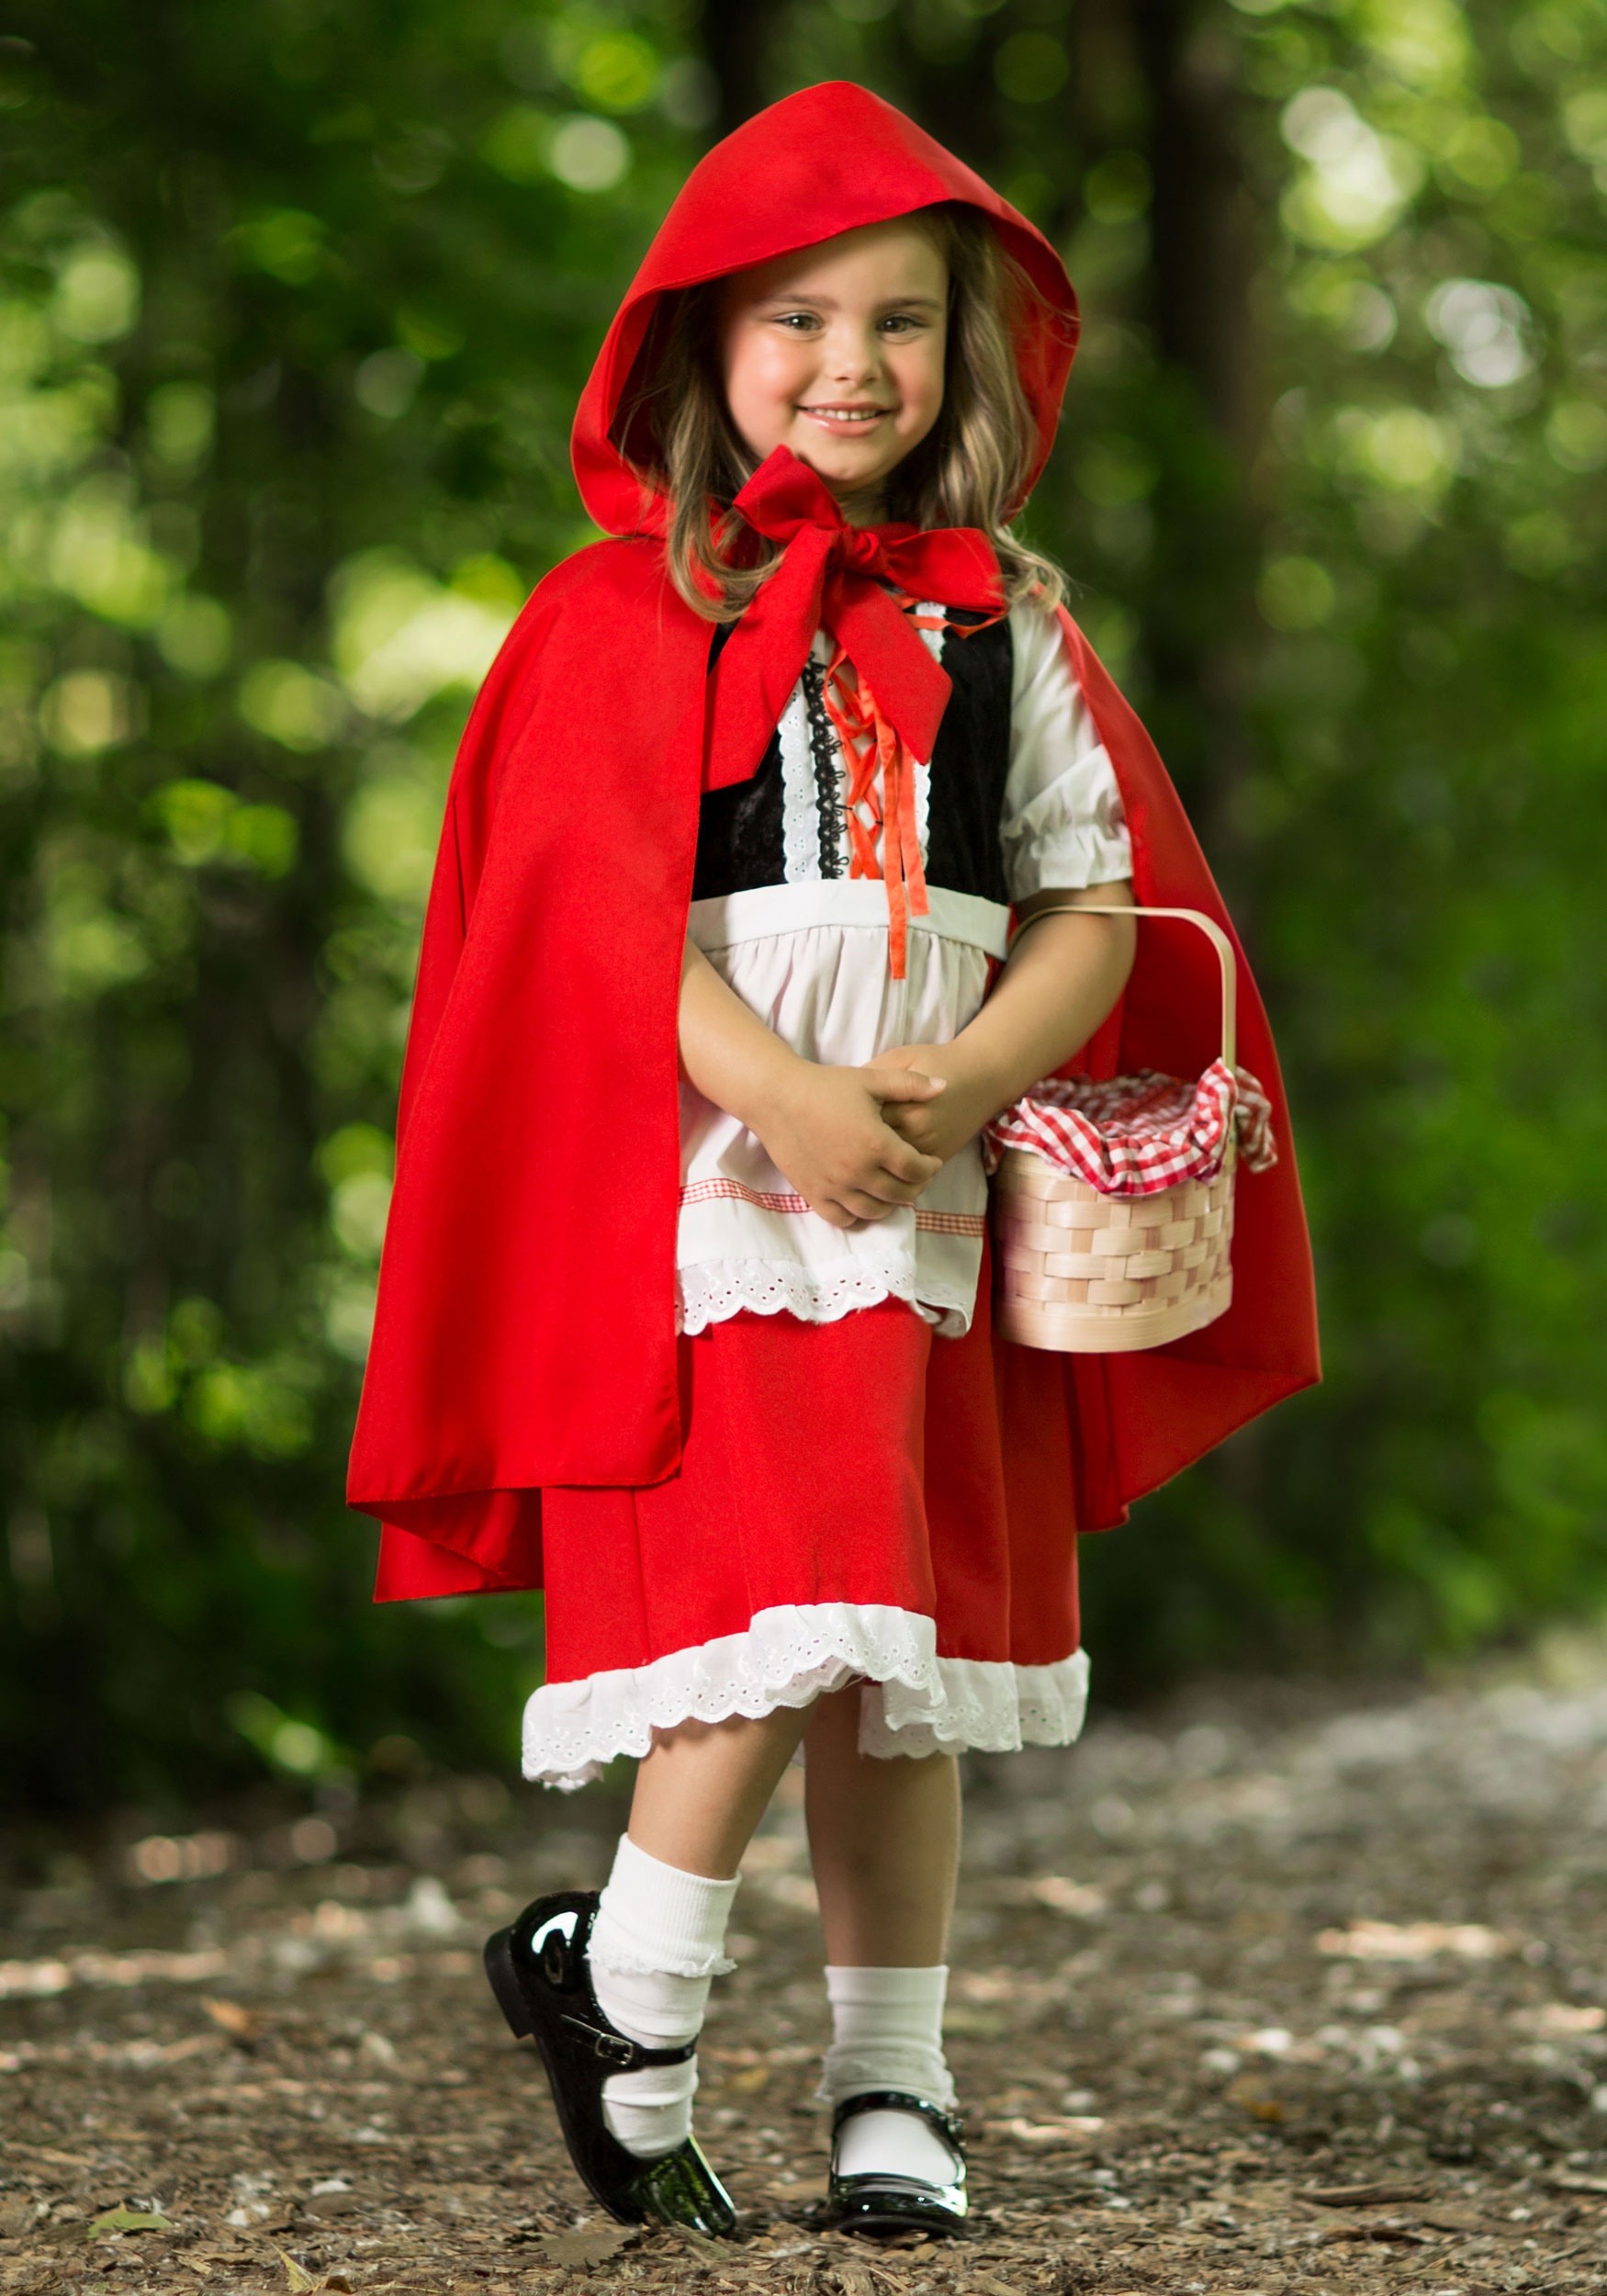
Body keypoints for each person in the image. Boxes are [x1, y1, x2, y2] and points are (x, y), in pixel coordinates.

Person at [346, 83, 1319, 2244]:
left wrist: (968, 1077)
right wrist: (779, 1091)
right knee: (794, 1600)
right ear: (698, 345)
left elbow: (1096, 904)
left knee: (904, 1653)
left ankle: (896, 2083)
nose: (853, 366)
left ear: (967, 358)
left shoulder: (1007, 623)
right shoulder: (619, 615)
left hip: (941, 1182)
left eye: (900, 321)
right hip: (705, 1185)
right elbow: (565, 921)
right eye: (797, 320)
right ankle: (633, 1989)